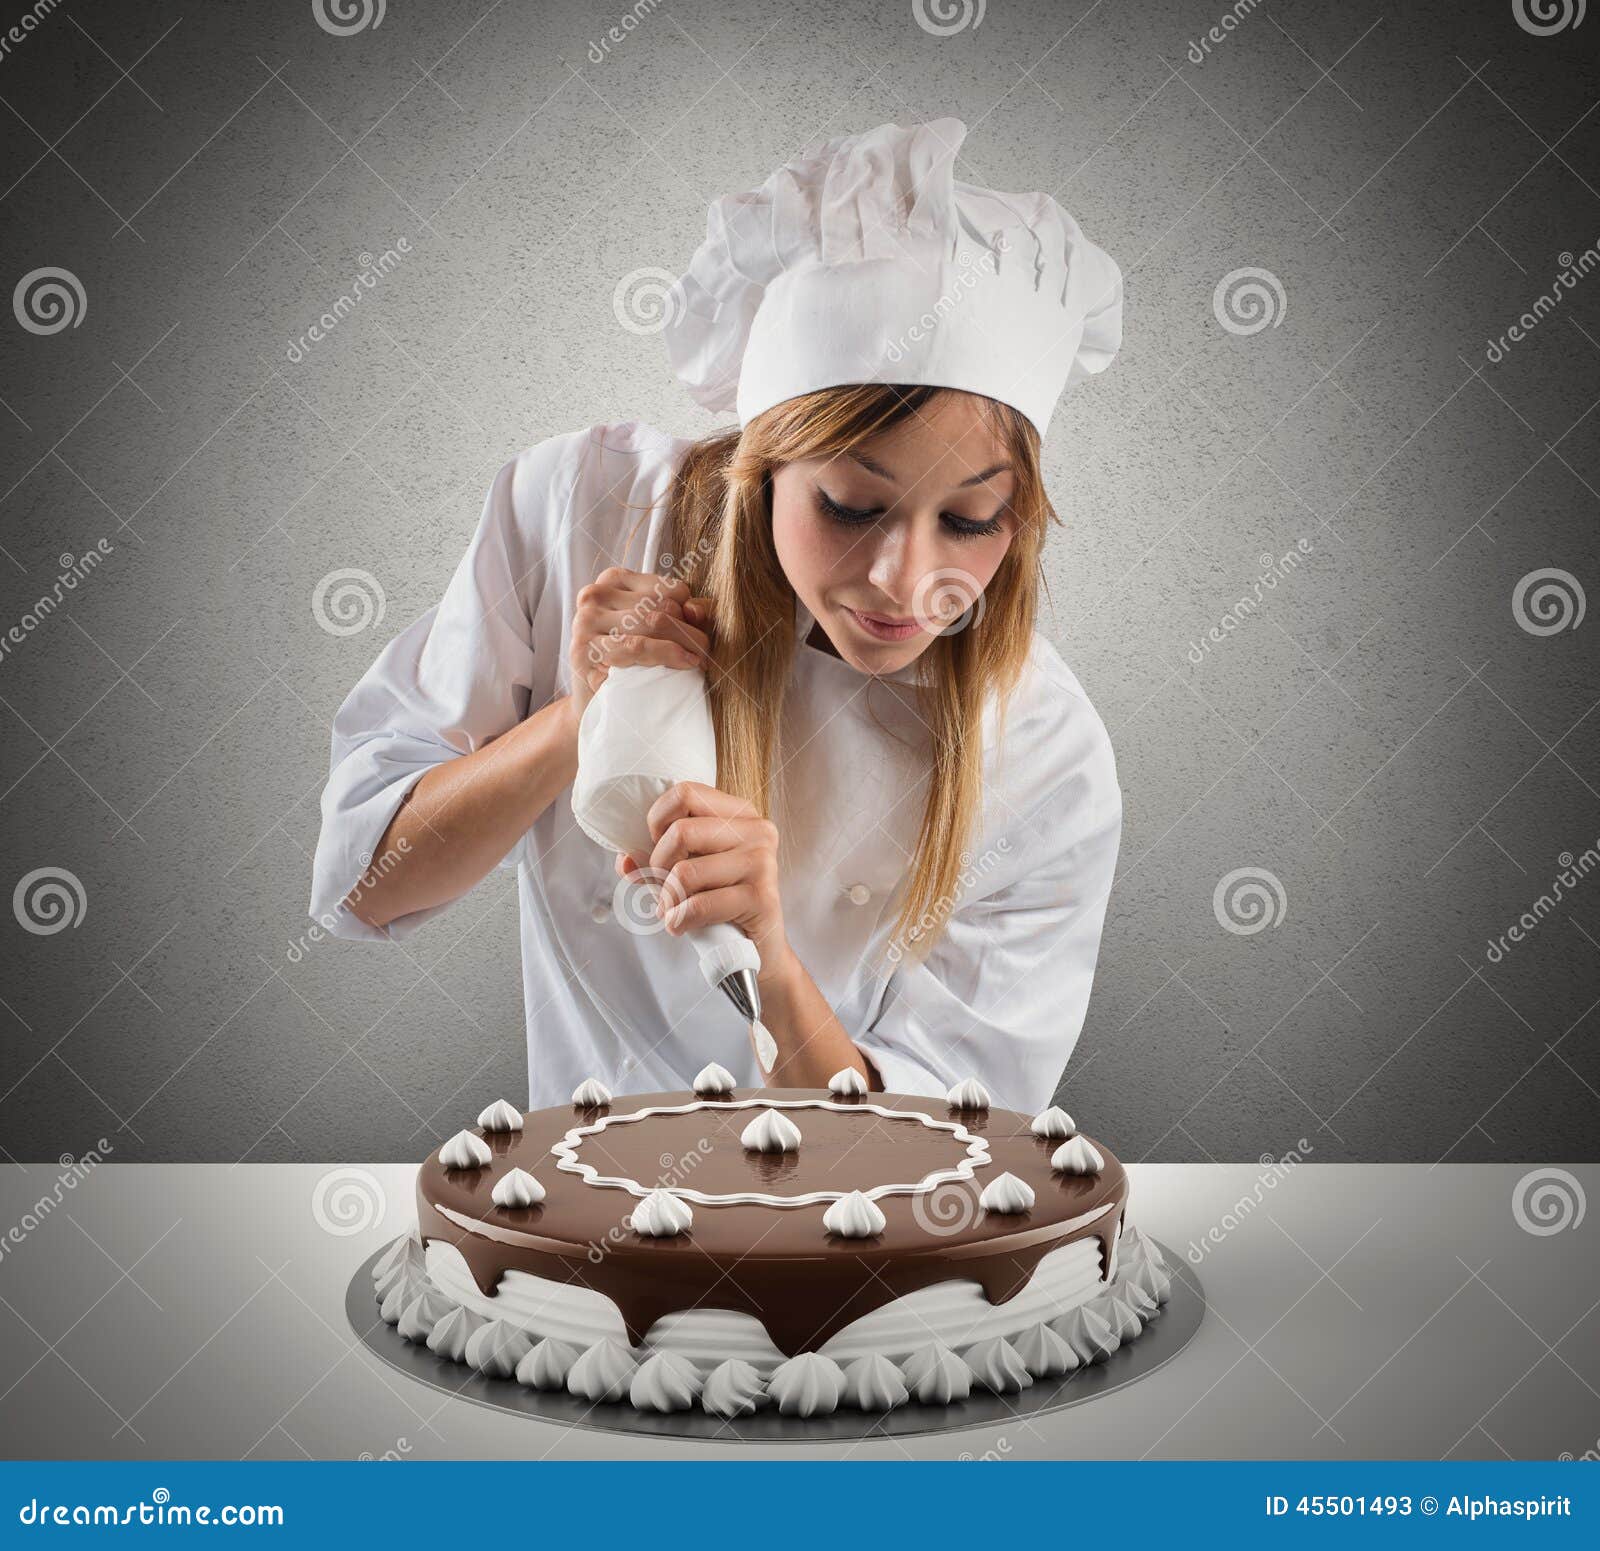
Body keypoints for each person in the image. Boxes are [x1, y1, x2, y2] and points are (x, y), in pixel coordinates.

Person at [309, 117, 1124, 1114]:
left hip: (850, 1255)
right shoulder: (583, 511)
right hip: (586, 1212)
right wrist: (580, 719)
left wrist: (769, 961)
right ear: (762, 464)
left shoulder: (1041, 748)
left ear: (1021, 519)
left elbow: (942, 1143)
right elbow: (361, 888)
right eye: (850, 508)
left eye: (968, 519)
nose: (906, 582)